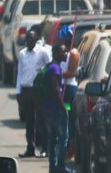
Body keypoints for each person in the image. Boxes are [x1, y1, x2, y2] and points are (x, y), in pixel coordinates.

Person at [16, 28, 51, 158]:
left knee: (42, 121)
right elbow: (19, 73)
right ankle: (30, 148)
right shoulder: (22, 54)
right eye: (27, 38)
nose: (29, 41)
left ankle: (45, 148)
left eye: (32, 38)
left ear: (36, 39)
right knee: (29, 122)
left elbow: (49, 68)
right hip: (26, 90)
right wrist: (18, 91)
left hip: (39, 90)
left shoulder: (42, 52)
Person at [41, 43, 69, 173]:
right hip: (55, 109)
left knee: (53, 138)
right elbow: (55, 89)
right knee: (62, 138)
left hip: (49, 108)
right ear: (56, 52)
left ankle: (53, 166)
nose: (65, 54)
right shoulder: (54, 69)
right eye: (63, 51)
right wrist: (62, 107)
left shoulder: (53, 67)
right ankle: (59, 166)